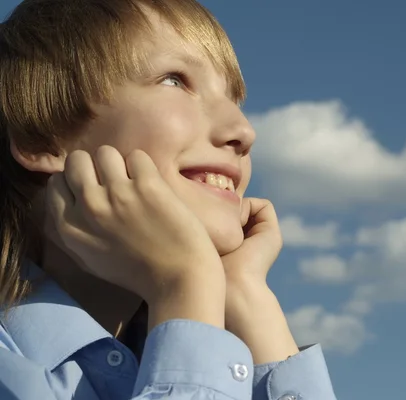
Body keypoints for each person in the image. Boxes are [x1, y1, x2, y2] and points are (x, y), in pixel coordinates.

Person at [0, 0, 337, 399]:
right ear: (42, 135)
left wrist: (246, 295)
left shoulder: (217, 357)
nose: (243, 130)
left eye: (235, 99)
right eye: (174, 80)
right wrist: (184, 281)